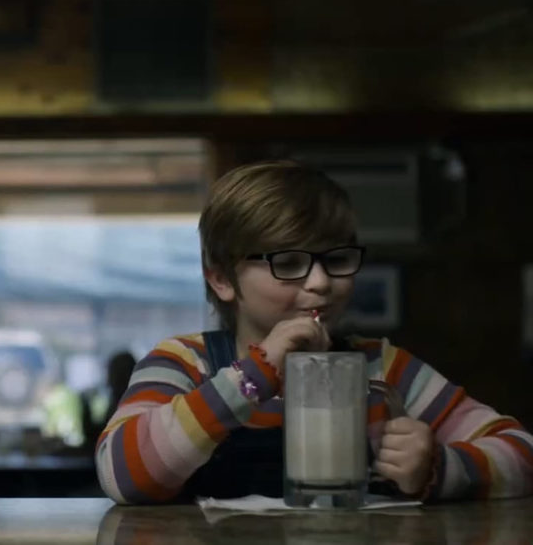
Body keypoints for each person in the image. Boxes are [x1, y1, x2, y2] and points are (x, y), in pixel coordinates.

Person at [95, 160, 533, 503]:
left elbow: (520, 452)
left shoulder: (380, 367)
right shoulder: (185, 363)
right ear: (221, 279)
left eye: (337, 259)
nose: (322, 282)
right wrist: (255, 373)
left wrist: (439, 467)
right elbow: (121, 474)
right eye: (287, 263)